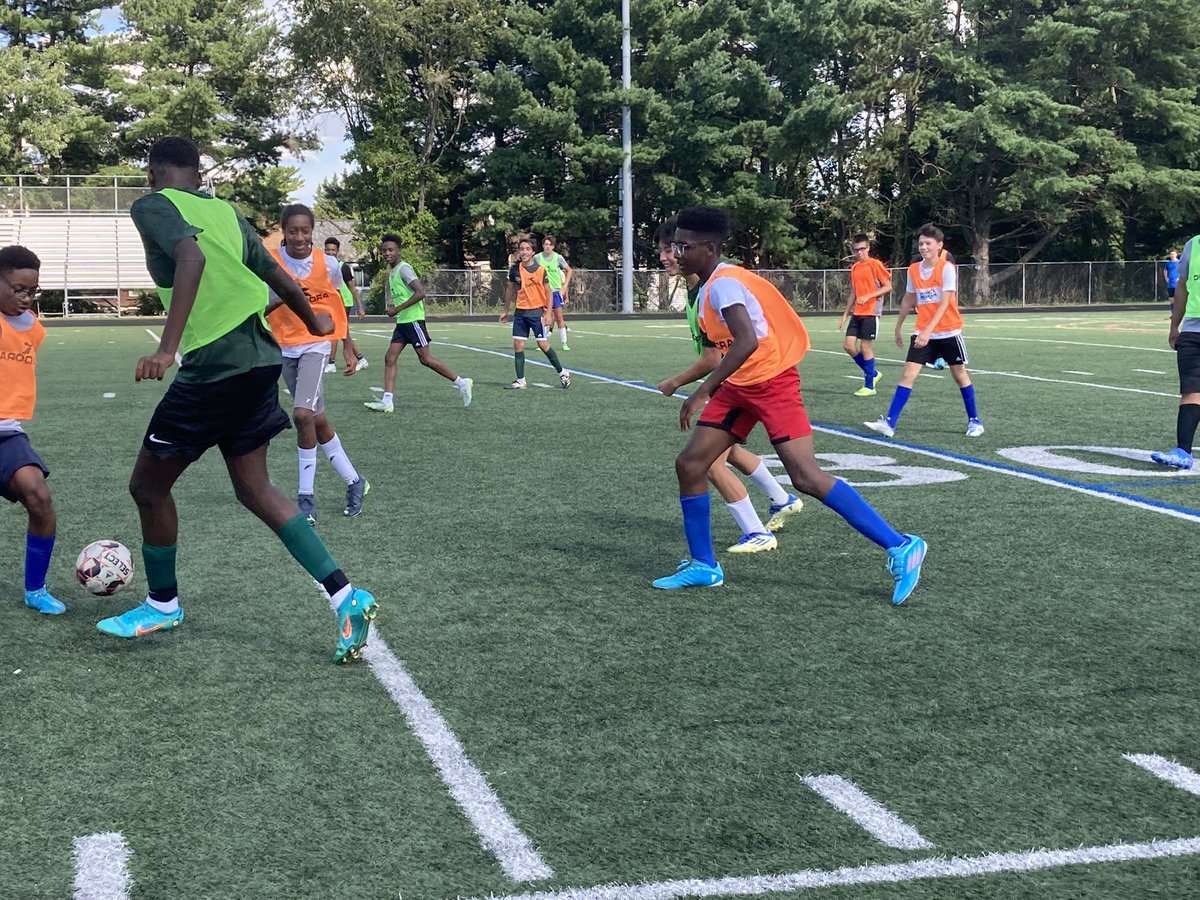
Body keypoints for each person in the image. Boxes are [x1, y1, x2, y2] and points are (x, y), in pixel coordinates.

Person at [103, 135, 377, 664]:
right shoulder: (227, 213)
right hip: (260, 360)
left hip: (216, 366)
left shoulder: (152, 204)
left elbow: (190, 260)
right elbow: (276, 275)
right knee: (254, 487)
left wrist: (166, 347)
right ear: (199, 172)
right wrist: (312, 319)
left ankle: (162, 605)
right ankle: (348, 596)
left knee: (146, 487)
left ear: (153, 172)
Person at [652, 206, 926, 605]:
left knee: (806, 477)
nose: (675, 253)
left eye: (683, 246)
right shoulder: (711, 283)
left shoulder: (725, 283)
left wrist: (702, 390)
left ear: (709, 248)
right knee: (691, 464)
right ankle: (704, 565)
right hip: (742, 384)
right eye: (674, 245)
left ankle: (901, 546)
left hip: (773, 382)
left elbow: (746, 341)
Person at [653, 218, 804, 552]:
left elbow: (717, 356)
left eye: (671, 249)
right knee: (726, 453)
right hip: (733, 380)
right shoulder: (699, 292)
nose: (666, 256)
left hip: (742, 380)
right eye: (665, 249)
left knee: (708, 464)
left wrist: (683, 384)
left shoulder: (715, 287)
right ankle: (780, 499)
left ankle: (756, 532)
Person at [269, 205, 369, 521]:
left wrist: (349, 346)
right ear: (283, 230)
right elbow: (263, 305)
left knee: (301, 415)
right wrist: (287, 295)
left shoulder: (328, 264)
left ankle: (306, 500)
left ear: (313, 232)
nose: (299, 237)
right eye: (293, 230)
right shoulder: (270, 262)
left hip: (314, 345)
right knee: (317, 419)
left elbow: (337, 307)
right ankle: (355, 481)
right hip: (284, 348)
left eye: (305, 231)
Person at [866, 224, 984, 438]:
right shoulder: (913, 269)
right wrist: (898, 327)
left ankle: (974, 421)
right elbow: (908, 299)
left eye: (928, 243)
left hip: (948, 331)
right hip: (923, 332)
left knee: (959, 375)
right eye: (921, 243)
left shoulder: (946, 268)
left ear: (939, 246)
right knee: (907, 375)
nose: (924, 247)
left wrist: (928, 331)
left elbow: (945, 303)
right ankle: (889, 423)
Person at [0, 246, 63, 615]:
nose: (25, 298)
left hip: (7, 432)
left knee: (38, 495)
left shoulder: (32, 328)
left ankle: (36, 590)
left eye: (31, 291)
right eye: (17, 289)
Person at [364, 234, 473, 412]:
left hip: (413, 321)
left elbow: (420, 293)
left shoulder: (404, 269)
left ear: (399, 251)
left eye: (390, 250)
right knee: (389, 358)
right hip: (403, 323)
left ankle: (462, 383)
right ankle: (387, 401)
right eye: (384, 251)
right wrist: (396, 308)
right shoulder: (393, 271)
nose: (387, 253)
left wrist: (396, 309)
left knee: (426, 359)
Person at [1151, 239, 1200, 469]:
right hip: (1192, 330)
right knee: (1191, 391)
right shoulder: (1194, 244)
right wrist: (1174, 325)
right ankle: (1183, 452)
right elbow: (1182, 285)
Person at [500, 236, 570, 389]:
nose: (524, 252)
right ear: (519, 252)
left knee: (543, 344)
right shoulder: (515, 269)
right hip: (520, 313)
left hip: (535, 312)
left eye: (527, 249)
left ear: (532, 252)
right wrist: (505, 311)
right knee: (518, 344)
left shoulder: (540, 270)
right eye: (521, 249)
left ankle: (562, 372)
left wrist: (547, 313)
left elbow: (548, 292)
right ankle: (521, 380)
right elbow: (510, 289)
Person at [837, 234, 892, 396]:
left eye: (863, 249)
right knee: (848, 346)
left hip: (871, 311)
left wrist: (869, 296)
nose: (860, 252)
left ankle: (869, 386)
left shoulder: (875, 264)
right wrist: (845, 313)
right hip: (858, 313)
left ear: (868, 248)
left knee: (865, 347)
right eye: (857, 250)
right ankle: (873, 374)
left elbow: (888, 286)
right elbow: (854, 291)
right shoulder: (854, 268)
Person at [323, 236, 368, 374]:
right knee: (343, 334)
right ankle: (361, 359)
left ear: (338, 251)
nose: (330, 252)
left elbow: (352, 287)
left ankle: (331, 363)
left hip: (343, 303)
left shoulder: (343, 267)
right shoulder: (323, 266)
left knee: (336, 332)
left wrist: (360, 306)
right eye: (328, 250)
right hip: (331, 303)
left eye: (333, 250)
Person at [535, 236, 573, 350]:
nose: (547, 246)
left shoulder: (558, 258)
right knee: (544, 317)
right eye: (545, 244)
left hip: (555, 291)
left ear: (553, 246)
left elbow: (569, 270)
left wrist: (564, 286)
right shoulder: (537, 258)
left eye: (549, 245)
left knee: (559, 318)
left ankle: (564, 343)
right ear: (543, 245)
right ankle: (542, 342)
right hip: (543, 292)